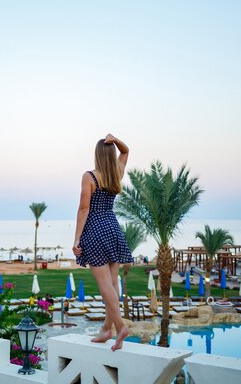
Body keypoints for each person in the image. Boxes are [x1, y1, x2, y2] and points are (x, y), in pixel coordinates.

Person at [72, 133, 133, 351]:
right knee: (113, 282)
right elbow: (126, 151)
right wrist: (116, 140)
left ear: (97, 154)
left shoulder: (89, 176)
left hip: (95, 228)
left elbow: (84, 208)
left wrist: (77, 238)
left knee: (105, 284)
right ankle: (107, 329)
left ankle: (119, 325)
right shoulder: (116, 172)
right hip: (113, 227)